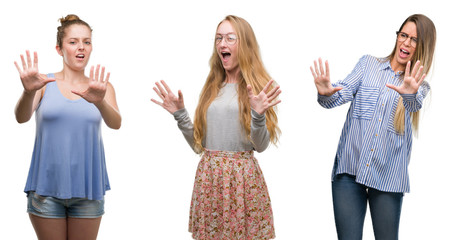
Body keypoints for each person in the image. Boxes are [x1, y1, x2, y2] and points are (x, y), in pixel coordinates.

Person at [152, 15, 281, 239]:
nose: (222, 44)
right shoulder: (212, 87)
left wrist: (258, 115)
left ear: (246, 44)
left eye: (231, 38)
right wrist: (180, 115)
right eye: (219, 38)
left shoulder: (258, 90)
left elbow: (260, 147)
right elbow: (198, 146)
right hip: (209, 178)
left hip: (243, 181)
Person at [310, 14, 436, 240]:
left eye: (414, 39)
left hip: (388, 177)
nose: (406, 43)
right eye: (403, 35)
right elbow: (342, 92)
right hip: (349, 172)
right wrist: (325, 93)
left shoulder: (420, 87)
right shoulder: (368, 64)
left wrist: (409, 92)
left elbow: (414, 104)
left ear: (423, 46)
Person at [14, 14, 121, 240]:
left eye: (87, 41)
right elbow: (21, 117)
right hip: (45, 189)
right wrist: (28, 91)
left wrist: (99, 101)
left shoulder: (102, 87)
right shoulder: (43, 84)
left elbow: (116, 123)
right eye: (73, 42)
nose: (80, 47)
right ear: (59, 48)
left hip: (88, 190)